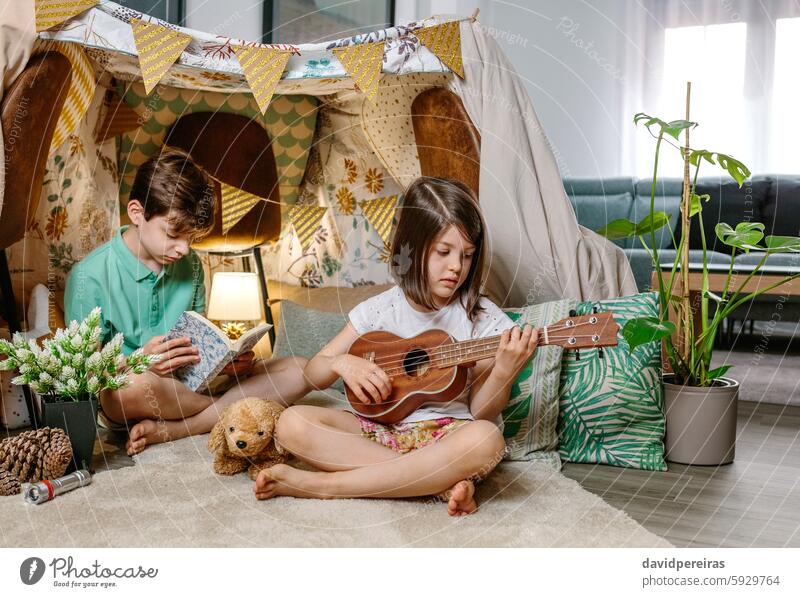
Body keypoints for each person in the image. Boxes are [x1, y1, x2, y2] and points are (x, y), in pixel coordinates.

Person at [254, 176, 539, 515]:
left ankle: (324, 487)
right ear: (412, 247)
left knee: (487, 440)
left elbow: (480, 411)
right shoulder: (381, 309)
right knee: (291, 424)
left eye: (467, 255)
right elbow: (313, 376)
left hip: (447, 438)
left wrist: (505, 371)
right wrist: (340, 362)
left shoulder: (482, 318)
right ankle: (432, 484)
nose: (456, 267)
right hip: (379, 432)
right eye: (444, 252)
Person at [65, 148, 308, 455]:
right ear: (137, 213)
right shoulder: (89, 277)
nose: (183, 248)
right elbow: (79, 378)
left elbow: (198, 341)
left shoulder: (190, 266)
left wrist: (225, 363)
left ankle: (186, 426)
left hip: (191, 388)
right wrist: (141, 359)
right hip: (141, 390)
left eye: (191, 237)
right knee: (124, 390)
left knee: (299, 368)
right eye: (174, 233)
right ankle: (238, 409)